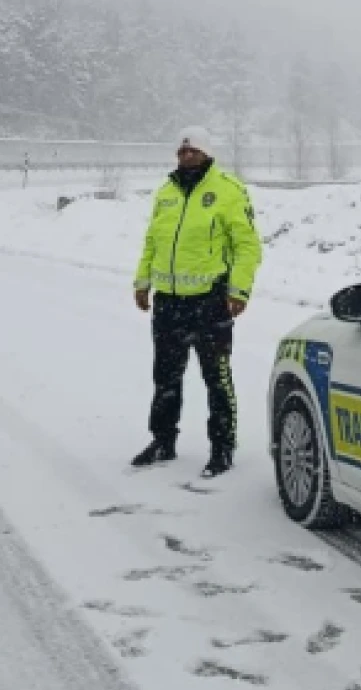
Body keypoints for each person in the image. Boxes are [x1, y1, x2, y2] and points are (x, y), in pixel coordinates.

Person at [131, 126, 263, 478]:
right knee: (165, 376)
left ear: (207, 154)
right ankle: (163, 440)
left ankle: (222, 448)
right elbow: (152, 241)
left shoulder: (228, 191)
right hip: (168, 303)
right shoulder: (166, 193)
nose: (186, 156)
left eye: (193, 151)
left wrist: (238, 290)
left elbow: (247, 246)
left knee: (216, 379)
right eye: (181, 152)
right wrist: (142, 283)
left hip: (210, 302)